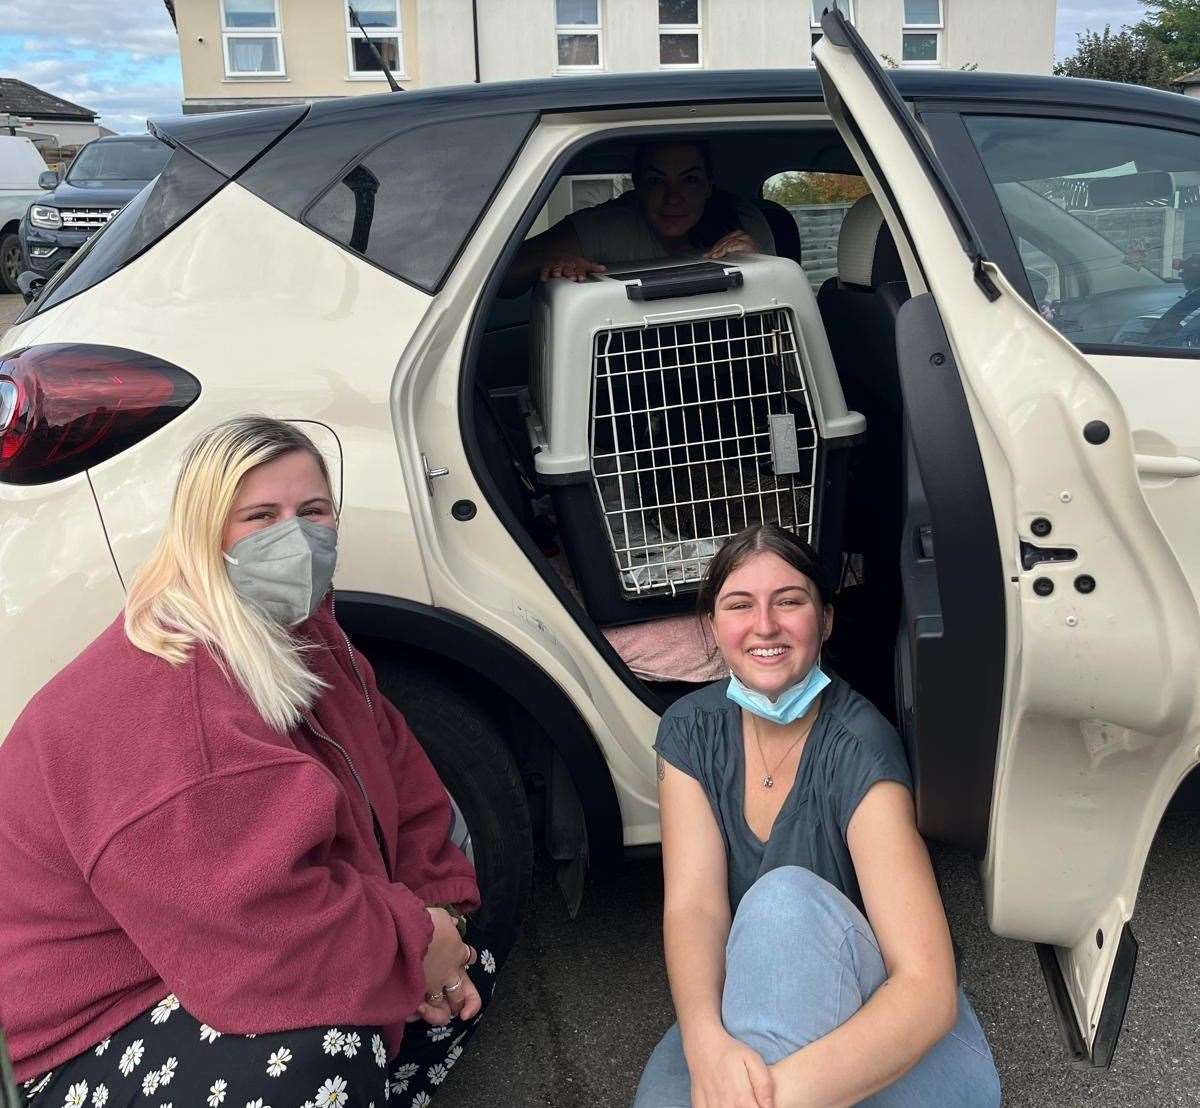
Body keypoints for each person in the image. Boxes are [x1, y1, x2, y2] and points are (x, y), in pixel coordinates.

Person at [0, 417, 499, 1108]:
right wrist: (411, 939)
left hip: (196, 953)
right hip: (72, 1033)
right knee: (327, 1040)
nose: (297, 537)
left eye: (314, 512)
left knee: (462, 962)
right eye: (261, 516)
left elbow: (407, 791)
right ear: (203, 535)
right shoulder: (176, 698)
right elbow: (258, 932)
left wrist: (440, 913)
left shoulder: (309, 637)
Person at [634, 524, 1001, 1108]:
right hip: (758, 1003)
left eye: (790, 601)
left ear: (825, 621)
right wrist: (706, 1047)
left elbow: (927, 990)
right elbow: (694, 906)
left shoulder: (859, 746)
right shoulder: (688, 730)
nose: (765, 626)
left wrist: (775, 1098)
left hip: (894, 1033)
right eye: (739, 605)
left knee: (783, 903)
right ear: (712, 625)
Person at [500, 140, 776, 295]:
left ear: (708, 186)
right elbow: (504, 277)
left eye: (690, 180)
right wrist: (557, 267)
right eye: (656, 181)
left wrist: (756, 264)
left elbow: (775, 309)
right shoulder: (604, 226)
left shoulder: (742, 222)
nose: (673, 197)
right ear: (638, 187)